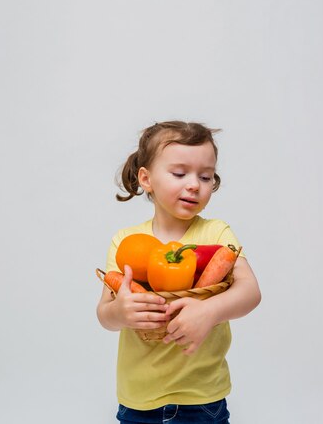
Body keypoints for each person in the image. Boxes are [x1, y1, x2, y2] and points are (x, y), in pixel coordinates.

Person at [96, 121, 261, 424]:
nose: (194, 184)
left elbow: (250, 291)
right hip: (138, 402)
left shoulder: (216, 232)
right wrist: (120, 311)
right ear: (146, 179)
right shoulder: (126, 242)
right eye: (179, 173)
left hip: (202, 400)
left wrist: (209, 311)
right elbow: (104, 314)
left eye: (206, 176)